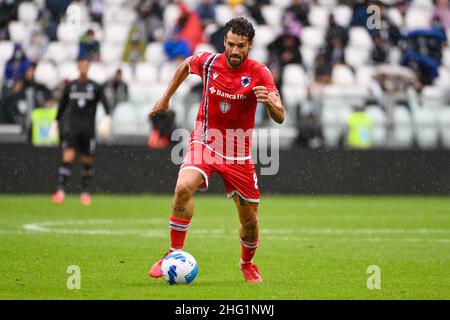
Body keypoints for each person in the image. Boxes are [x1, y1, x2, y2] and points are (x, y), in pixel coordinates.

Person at [147, 17, 285, 283]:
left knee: (250, 223)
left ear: (250, 45)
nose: (235, 51)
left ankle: (247, 264)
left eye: (241, 46)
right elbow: (186, 65)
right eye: (231, 44)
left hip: (238, 152)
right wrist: (166, 98)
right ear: (224, 41)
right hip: (205, 140)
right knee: (183, 186)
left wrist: (269, 103)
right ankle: (174, 253)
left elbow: (280, 116)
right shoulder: (210, 62)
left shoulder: (260, 73)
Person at [51, 58, 111, 206]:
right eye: (81, 65)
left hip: (88, 130)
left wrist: (107, 119)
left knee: (87, 161)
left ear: (88, 67)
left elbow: (106, 105)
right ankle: (60, 191)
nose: (83, 68)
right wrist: (55, 122)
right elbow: (62, 106)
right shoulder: (70, 86)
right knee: (68, 157)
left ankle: (84, 193)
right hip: (72, 128)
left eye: (86, 65)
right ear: (78, 67)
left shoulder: (95, 87)